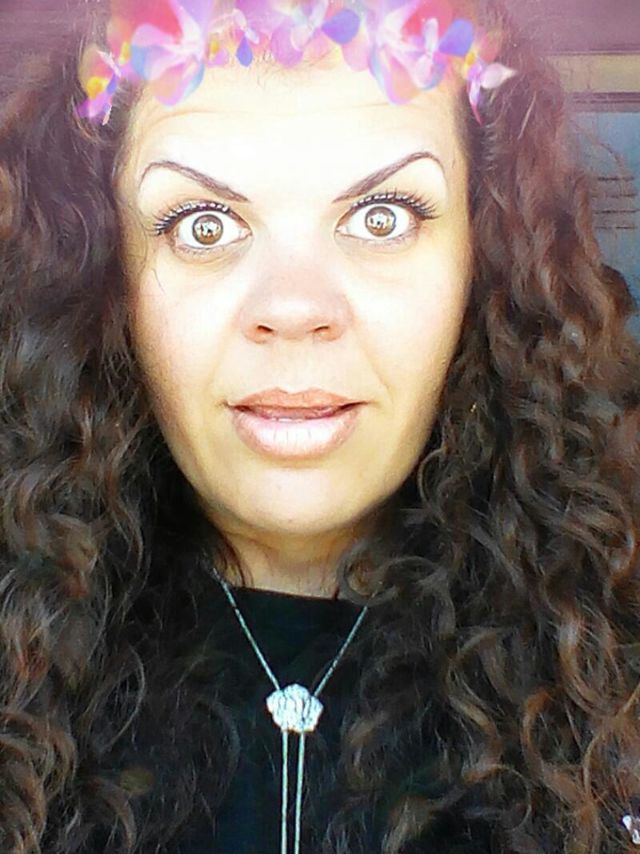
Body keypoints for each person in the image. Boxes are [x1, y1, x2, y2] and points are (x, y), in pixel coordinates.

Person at [0, 0, 639, 851]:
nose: (295, 307)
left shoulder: (615, 669)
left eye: (383, 217)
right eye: (202, 225)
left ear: (482, 265)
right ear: (103, 277)